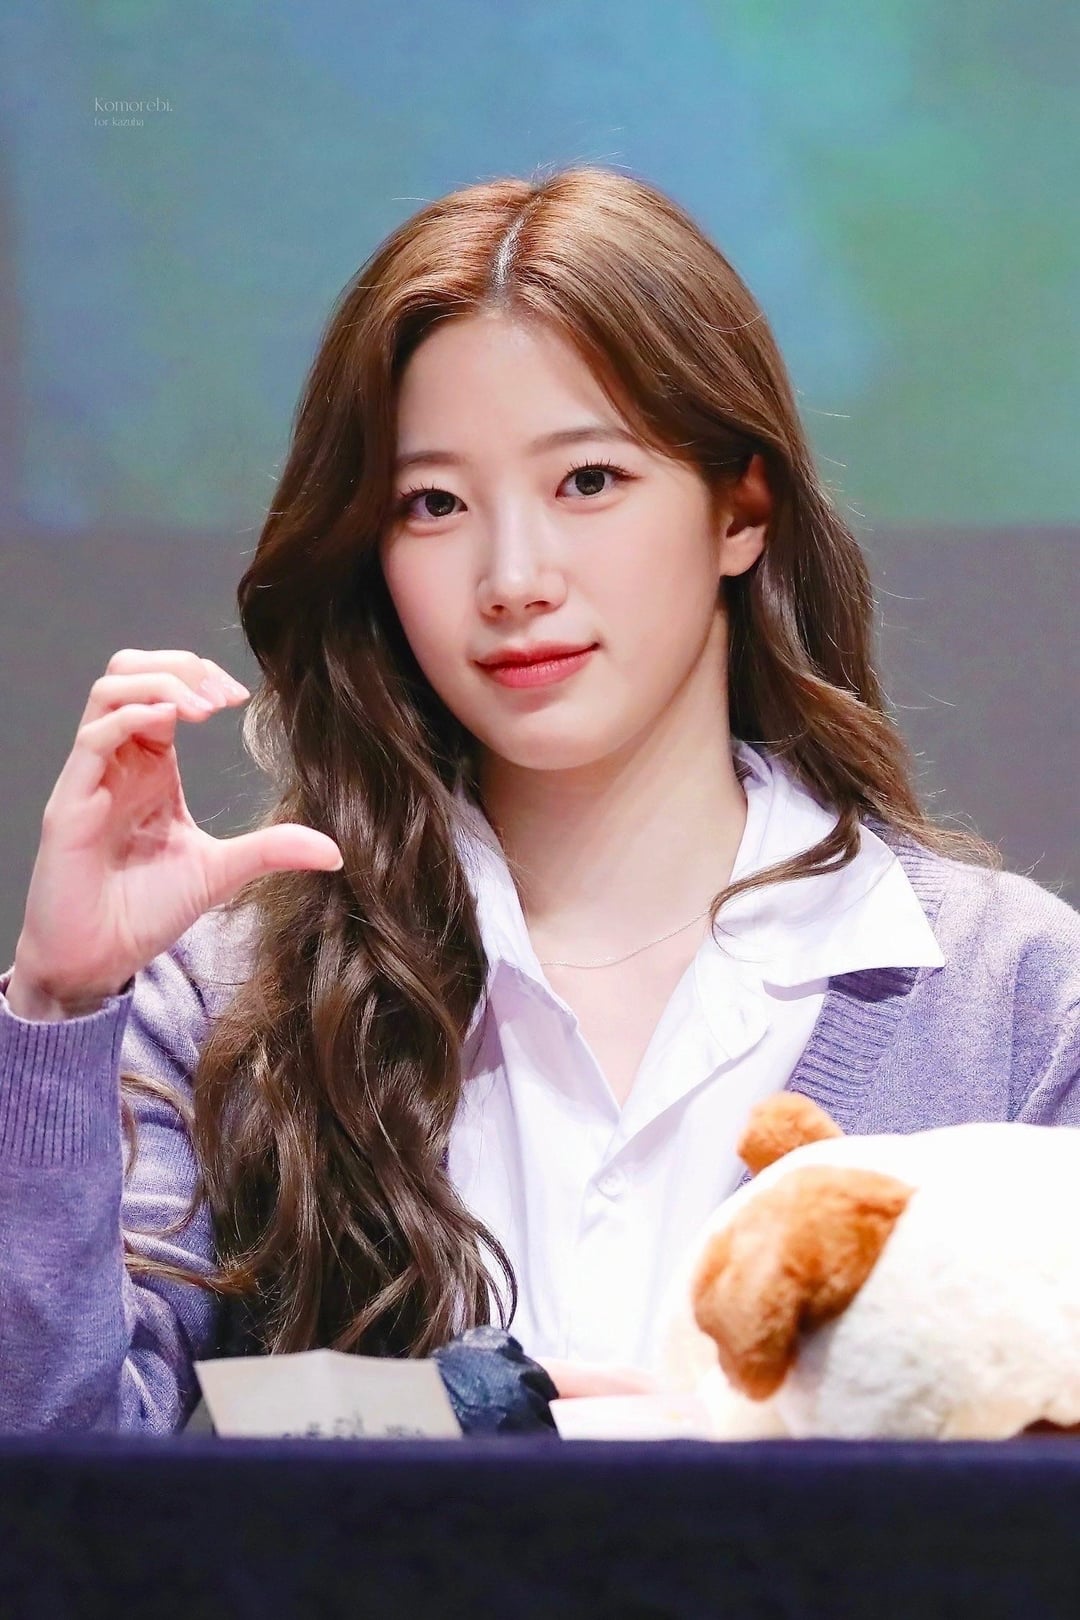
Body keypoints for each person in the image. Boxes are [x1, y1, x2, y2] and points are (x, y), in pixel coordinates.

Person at [1, 164, 1077, 1436]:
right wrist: (56, 1007)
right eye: (434, 504)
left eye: (588, 482)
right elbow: (68, 1463)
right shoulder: (226, 993)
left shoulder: (1015, 1000)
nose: (513, 579)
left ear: (741, 508)